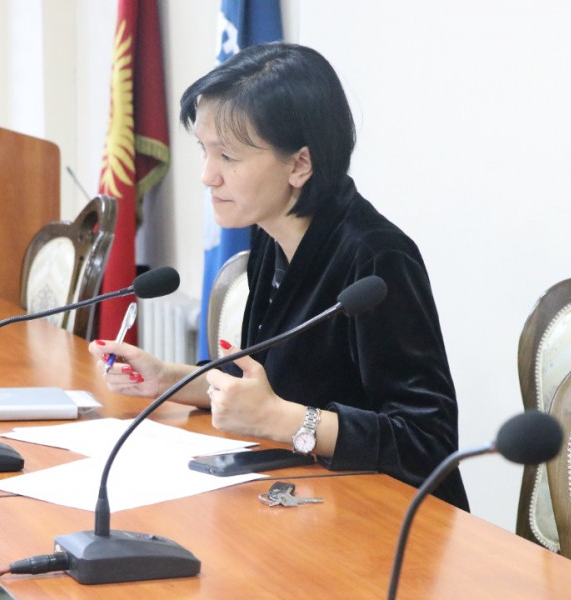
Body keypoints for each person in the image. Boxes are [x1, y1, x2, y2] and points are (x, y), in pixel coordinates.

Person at [91, 42, 468, 510]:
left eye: (228, 156)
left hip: (395, 517)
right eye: (204, 151)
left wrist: (285, 421)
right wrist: (166, 378)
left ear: (299, 164)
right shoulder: (273, 234)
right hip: (314, 502)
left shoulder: (376, 258)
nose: (207, 176)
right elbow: (265, 386)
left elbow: (426, 441)